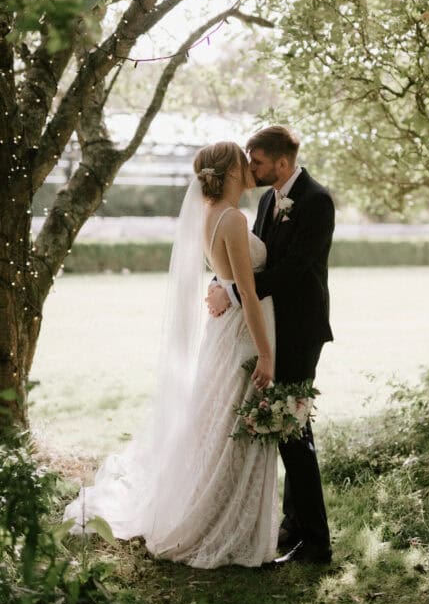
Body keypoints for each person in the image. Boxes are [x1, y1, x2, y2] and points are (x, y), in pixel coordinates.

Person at [63, 142, 279, 568]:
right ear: (232, 170)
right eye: (243, 160)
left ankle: (222, 509)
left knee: (218, 421)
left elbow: (231, 282)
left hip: (223, 331)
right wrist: (267, 356)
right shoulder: (232, 218)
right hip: (240, 334)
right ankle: (220, 522)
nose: (249, 166)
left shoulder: (209, 216)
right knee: (232, 422)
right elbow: (249, 295)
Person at [206, 125, 334, 565]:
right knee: (285, 430)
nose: (250, 167)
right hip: (272, 326)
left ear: (282, 162)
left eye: (257, 161)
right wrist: (222, 283)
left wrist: (235, 292)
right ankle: (293, 527)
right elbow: (242, 260)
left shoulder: (317, 202)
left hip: (300, 329)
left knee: (294, 430)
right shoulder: (264, 200)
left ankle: (316, 542)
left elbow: (295, 270)